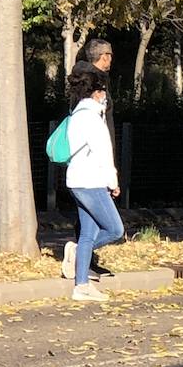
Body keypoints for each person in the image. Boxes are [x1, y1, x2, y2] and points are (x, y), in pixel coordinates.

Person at [60, 64, 124, 302]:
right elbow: (103, 152)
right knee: (115, 229)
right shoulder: (93, 119)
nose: (105, 95)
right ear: (96, 93)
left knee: (88, 233)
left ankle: (82, 286)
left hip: (76, 180)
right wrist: (113, 181)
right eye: (104, 91)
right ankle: (76, 254)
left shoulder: (76, 115)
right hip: (92, 181)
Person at [64, 37, 118, 281]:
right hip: (91, 167)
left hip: (86, 167)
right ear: (103, 56)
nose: (111, 60)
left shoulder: (85, 79)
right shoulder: (93, 83)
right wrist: (111, 174)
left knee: (89, 226)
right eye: (109, 55)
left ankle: (83, 271)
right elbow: (97, 131)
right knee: (112, 227)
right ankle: (79, 255)